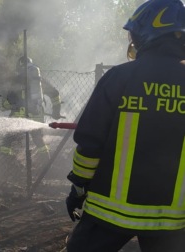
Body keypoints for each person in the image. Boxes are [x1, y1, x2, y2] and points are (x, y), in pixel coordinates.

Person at [65, 0, 185, 251]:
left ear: (145, 33)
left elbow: (89, 145)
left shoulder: (119, 78)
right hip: (170, 220)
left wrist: (78, 188)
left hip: (108, 214)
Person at [0, 56, 62, 169]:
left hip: (19, 117)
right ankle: (47, 167)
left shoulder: (16, 80)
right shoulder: (39, 80)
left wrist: (2, 106)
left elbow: (10, 101)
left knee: (7, 141)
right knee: (38, 140)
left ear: (19, 67)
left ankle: (7, 167)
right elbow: (55, 93)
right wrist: (56, 111)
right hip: (36, 116)